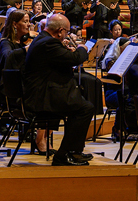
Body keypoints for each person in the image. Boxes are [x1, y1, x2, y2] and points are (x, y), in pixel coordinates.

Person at [22, 13, 95, 166]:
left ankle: (73, 152)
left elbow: (57, 62)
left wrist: (65, 51)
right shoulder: (49, 43)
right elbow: (75, 59)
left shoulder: (43, 40)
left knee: (82, 103)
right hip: (42, 97)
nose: (66, 35)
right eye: (67, 32)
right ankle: (65, 154)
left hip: (43, 92)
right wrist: (82, 48)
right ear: (60, 31)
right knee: (84, 108)